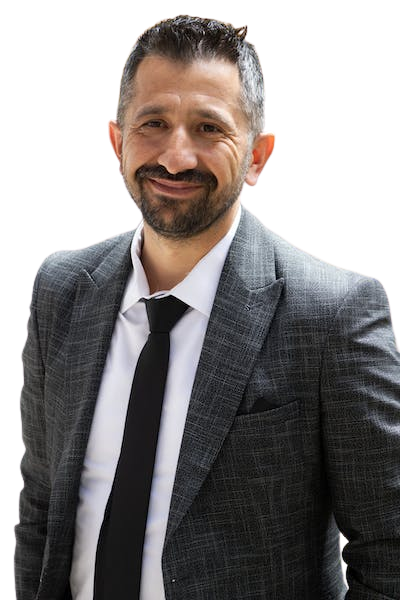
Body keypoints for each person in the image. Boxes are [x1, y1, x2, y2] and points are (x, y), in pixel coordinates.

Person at [14, 15, 399, 600]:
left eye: (208, 128)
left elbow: (387, 553)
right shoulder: (61, 288)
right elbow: (41, 506)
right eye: (154, 124)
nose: (175, 157)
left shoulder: (335, 314)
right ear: (117, 141)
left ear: (257, 156)